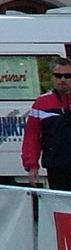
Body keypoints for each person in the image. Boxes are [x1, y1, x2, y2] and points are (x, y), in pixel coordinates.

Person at [24, 55, 71, 190]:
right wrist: (32, 166)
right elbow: (32, 137)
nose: (63, 80)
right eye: (58, 75)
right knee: (61, 207)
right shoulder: (41, 103)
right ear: (52, 77)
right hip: (57, 167)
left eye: (68, 76)